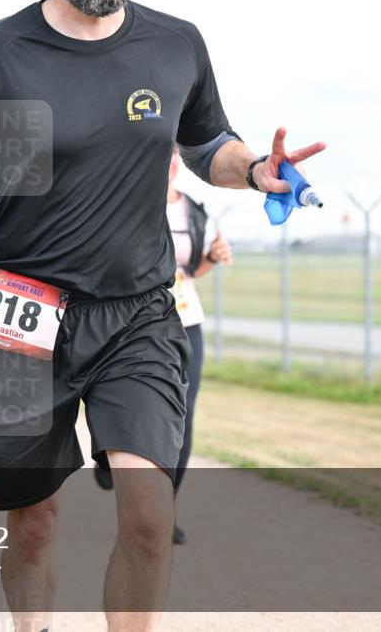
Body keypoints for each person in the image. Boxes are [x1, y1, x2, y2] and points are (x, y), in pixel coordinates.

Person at [0, 0, 326, 628]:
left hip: (136, 313)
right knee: (33, 519)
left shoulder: (176, 44)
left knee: (149, 513)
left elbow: (208, 146)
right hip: (20, 314)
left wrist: (257, 170)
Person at [93, 146, 234, 548]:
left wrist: (213, 257)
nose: (167, 163)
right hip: (127, 322)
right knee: (119, 403)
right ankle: (108, 459)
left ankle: (164, 510)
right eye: (159, 152)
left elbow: (191, 270)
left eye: (174, 155)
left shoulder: (194, 210)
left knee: (183, 415)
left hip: (185, 320)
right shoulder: (119, 201)